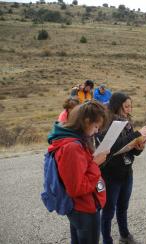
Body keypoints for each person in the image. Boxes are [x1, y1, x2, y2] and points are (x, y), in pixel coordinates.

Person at [47, 100, 110, 244]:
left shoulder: (76, 139)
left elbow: (80, 169)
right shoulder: (72, 147)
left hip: (82, 206)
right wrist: (95, 163)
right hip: (84, 208)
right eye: (96, 126)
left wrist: (91, 161)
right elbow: (77, 188)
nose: (96, 131)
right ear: (86, 121)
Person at [96, 92, 146, 244]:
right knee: (108, 212)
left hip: (127, 172)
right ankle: (107, 240)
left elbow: (132, 150)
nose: (129, 110)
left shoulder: (127, 122)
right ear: (117, 106)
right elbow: (112, 148)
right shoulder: (106, 124)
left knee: (123, 208)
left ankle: (125, 235)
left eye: (130, 106)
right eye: (126, 106)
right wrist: (136, 134)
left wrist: (139, 146)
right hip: (111, 175)